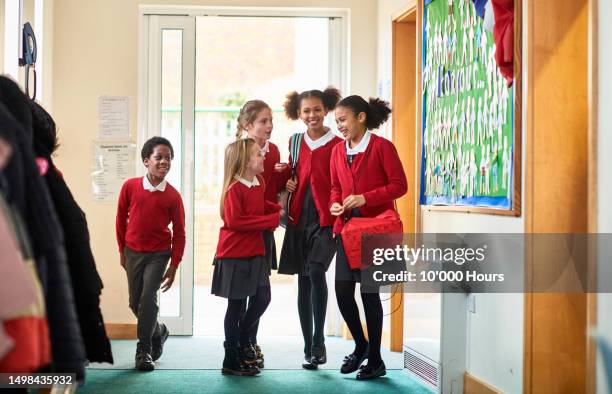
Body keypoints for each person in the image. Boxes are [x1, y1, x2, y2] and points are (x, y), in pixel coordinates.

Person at [330, 95, 407, 380]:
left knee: (369, 294)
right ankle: (361, 345)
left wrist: (365, 198)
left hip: (376, 232)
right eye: (336, 121)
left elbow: (400, 186)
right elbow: (335, 187)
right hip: (346, 231)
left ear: (361, 117)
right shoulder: (338, 151)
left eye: (343, 120)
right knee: (341, 290)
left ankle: (375, 359)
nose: (339, 126)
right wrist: (334, 205)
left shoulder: (382, 148)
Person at [276, 87, 342, 369]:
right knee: (303, 281)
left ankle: (319, 341)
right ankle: (308, 348)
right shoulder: (294, 141)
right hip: (298, 217)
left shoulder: (338, 143)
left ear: (326, 110)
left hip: (327, 219)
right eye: (306, 111)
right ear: (298, 113)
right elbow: (290, 175)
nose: (312, 115)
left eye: (317, 109)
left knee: (316, 271)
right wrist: (285, 184)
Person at [211, 138, 282, 376]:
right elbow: (235, 221)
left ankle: (241, 340)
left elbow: (260, 204)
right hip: (234, 255)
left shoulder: (259, 182)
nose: (263, 155)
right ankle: (231, 359)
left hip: (255, 252)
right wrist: (270, 220)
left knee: (263, 298)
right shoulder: (233, 189)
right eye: (257, 154)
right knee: (237, 306)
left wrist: (276, 209)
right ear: (244, 162)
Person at [116, 136, 185, 371]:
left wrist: (174, 265)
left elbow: (180, 233)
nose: (164, 161)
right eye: (159, 157)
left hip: (159, 254)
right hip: (133, 252)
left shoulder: (173, 196)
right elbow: (120, 220)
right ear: (146, 161)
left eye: (168, 158)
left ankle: (143, 350)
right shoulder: (130, 187)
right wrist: (122, 251)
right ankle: (159, 330)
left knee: (148, 299)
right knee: (135, 302)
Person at [235, 99, 284, 368]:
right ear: (247, 125)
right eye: (263, 121)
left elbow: (272, 189)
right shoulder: (238, 152)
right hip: (248, 230)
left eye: (271, 120)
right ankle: (243, 342)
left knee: (260, 290)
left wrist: (285, 176)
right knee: (244, 292)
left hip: (265, 227)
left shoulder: (273, 151)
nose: (269, 126)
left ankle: (250, 339)